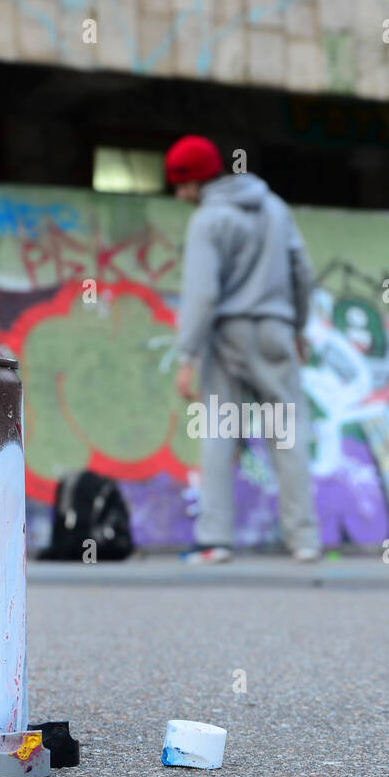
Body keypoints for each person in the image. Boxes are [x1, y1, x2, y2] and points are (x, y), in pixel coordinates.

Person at [165, 134, 320, 564]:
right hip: (275, 329)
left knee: (218, 429)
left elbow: (203, 295)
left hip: (228, 333)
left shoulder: (208, 220)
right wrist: (298, 328)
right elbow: (302, 272)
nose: (179, 195)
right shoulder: (275, 207)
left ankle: (215, 540)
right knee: (287, 433)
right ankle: (304, 540)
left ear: (197, 181)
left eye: (181, 185)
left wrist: (187, 356)